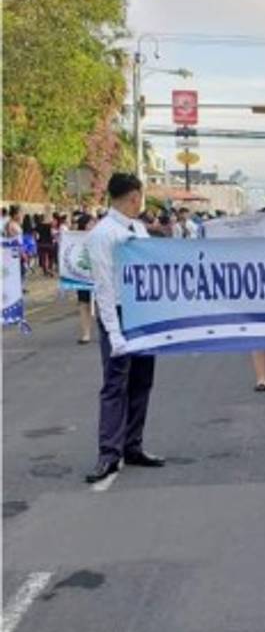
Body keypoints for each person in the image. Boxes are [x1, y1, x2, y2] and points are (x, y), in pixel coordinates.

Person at [84, 173, 165, 483]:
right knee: (115, 383)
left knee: (142, 381)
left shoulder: (139, 229)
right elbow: (103, 288)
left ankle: (133, 445)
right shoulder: (103, 234)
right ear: (134, 197)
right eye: (140, 198)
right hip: (118, 312)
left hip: (142, 312)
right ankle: (109, 453)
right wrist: (114, 332)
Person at [74, 212, 96, 344]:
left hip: (99, 275)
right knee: (83, 303)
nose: (94, 225)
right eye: (91, 223)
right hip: (82, 275)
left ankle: (106, 331)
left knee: (101, 303)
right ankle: (86, 334)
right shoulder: (74, 239)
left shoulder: (101, 237)